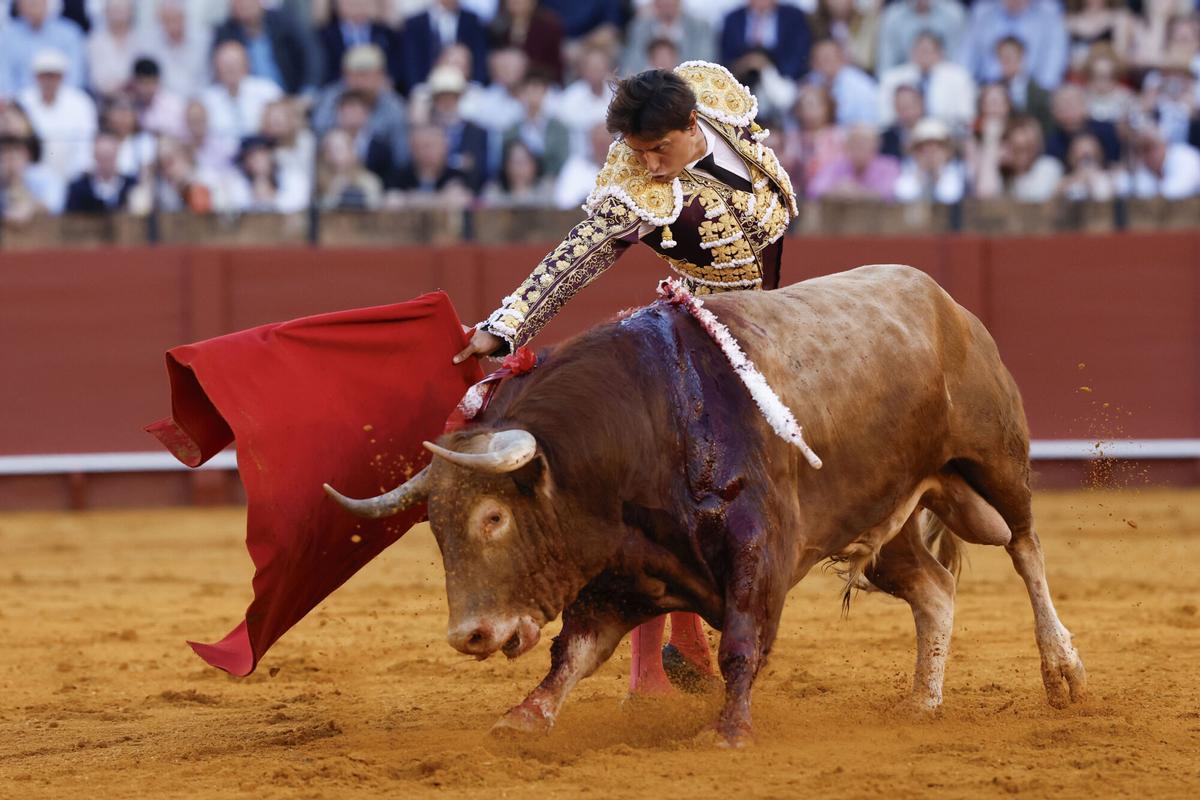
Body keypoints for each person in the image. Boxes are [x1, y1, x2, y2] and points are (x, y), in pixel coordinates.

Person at [453, 62, 801, 697]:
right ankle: (656, 665)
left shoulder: (717, 96)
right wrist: (502, 329)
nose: (648, 166)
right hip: (703, 342)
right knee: (682, 497)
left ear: (693, 125)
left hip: (773, 330)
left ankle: (687, 640)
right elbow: (574, 257)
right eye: (637, 153)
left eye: (659, 150)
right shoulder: (634, 189)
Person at [17, 49, 96, 186]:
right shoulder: (23, 100)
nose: (48, 81)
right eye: (43, 76)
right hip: (30, 175)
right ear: (36, 77)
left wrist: (76, 177)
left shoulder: (80, 102)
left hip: (72, 175)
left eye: (53, 76)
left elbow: (86, 145)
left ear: (62, 77)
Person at [214, 0, 324, 97]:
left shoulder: (284, 19)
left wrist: (307, 94)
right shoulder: (225, 33)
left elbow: (311, 55)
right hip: (251, 102)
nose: (244, 4)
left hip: (291, 95)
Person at [957, 0, 1069, 91]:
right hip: (986, 90)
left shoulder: (1049, 13)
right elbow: (965, 59)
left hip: (1030, 93)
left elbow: (1052, 66)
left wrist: (1037, 96)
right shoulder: (982, 11)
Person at [878, 31, 976, 134]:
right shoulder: (892, 78)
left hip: (947, 135)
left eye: (928, 51)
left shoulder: (959, 77)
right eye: (919, 50)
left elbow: (966, 116)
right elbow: (885, 117)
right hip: (903, 134)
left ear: (940, 53)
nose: (923, 55)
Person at [0, 0, 85, 98]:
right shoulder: (7, 36)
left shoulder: (69, 33)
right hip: (19, 104)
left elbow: (75, 78)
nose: (33, 6)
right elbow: (4, 79)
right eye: (29, 3)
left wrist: (54, 101)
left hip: (62, 102)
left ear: (47, 3)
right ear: (18, 6)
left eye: (37, 2)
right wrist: (18, 105)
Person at [317, 0, 402, 90]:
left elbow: (396, 66)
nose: (357, 4)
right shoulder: (324, 36)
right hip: (339, 91)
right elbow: (322, 69)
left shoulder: (386, 33)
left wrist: (387, 80)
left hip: (380, 91)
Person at [719, 0, 812, 81]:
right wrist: (746, 64)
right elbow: (726, 56)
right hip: (742, 78)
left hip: (782, 77)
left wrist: (767, 67)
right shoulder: (733, 19)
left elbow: (798, 54)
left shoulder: (793, 17)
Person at [621, 0, 715, 77]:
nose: (666, 3)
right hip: (648, 89)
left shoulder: (700, 27)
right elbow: (630, 66)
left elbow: (705, 65)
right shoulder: (639, 27)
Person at [806, 123, 899, 200]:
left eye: (865, 143)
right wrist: (837, 191)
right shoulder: (836, 165)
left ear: (876, 146)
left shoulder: (889, 166)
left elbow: (888, 194)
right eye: (855, 143)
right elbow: (814, 190)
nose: (860, 147)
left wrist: (857, 192)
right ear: (847, 146)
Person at [876, 0, 967, 74]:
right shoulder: (893, 16)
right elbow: (886, 67)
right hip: (906, 81)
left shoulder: (953, 14)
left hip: (945, 79)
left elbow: (959, 62)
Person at [893, 116, 968, 203]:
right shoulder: (908, 167)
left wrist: (937, 173)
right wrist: (920, 173)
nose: (930, 154)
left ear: (946, 151)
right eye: (924, 149)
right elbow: (903, 195)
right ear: (915, 152)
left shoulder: (955, 169)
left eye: (936, 148)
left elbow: (950, 196)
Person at [63, 132, 138, 214]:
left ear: (117, 155)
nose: (106, 162)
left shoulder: (131, 185)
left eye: (109, 156)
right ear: (95, 156)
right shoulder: (78, 189)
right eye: (102, 157)